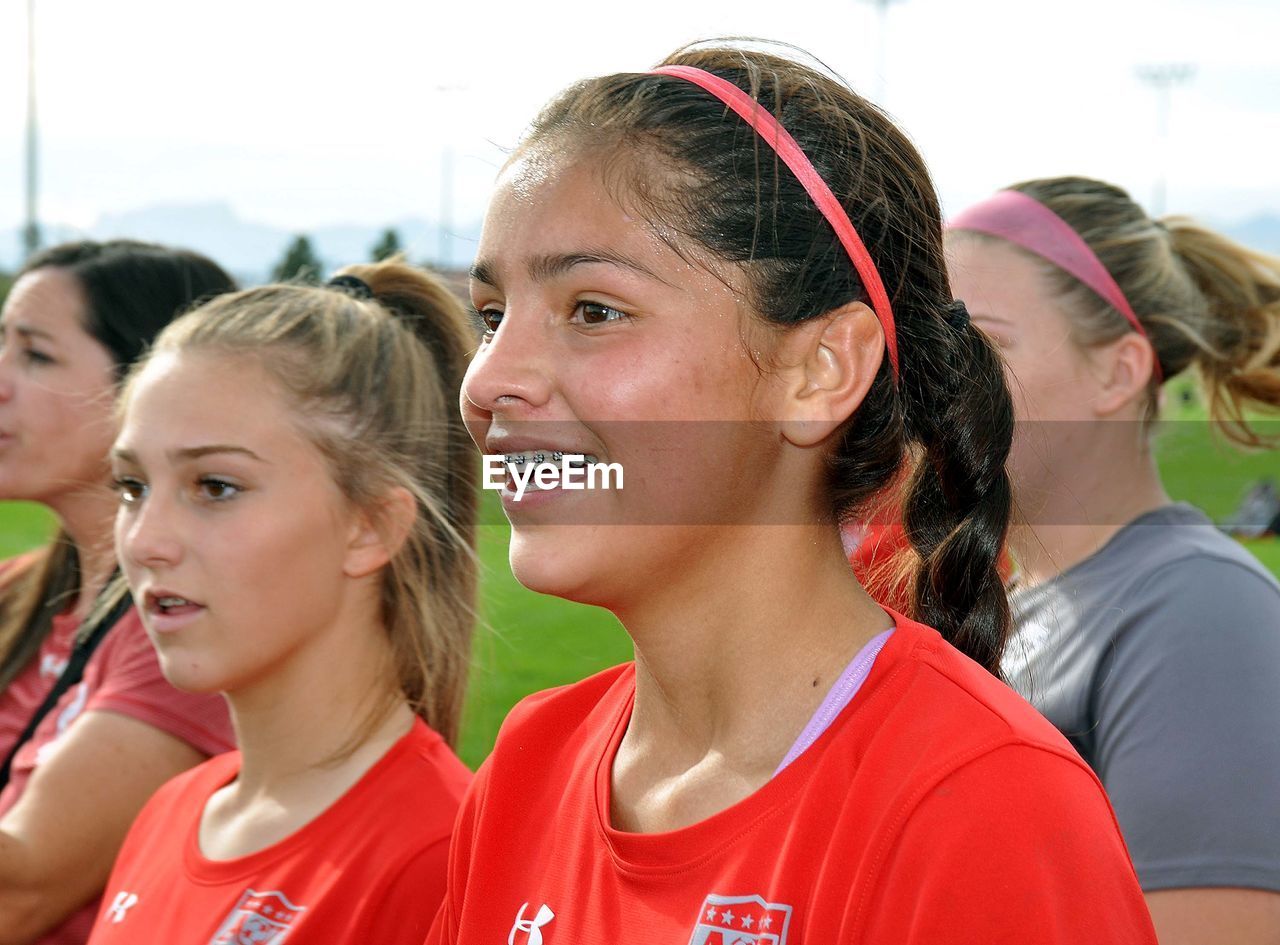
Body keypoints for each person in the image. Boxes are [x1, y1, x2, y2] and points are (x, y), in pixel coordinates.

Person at [427, 45, 1156, 944]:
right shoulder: (530, 767)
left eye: (594, 310)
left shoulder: (978, 802)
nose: (489, 381)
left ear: (819, 371)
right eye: (492, 317)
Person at [86, 260, 476, 944]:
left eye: (215, 486)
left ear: (371, 526)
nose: (145, 541)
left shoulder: (439, 857)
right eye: (131, 486)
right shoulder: (172, 810)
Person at [949, 177, 1280, 943]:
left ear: (1118, 373)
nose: (933, 383)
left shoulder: (1199, 614)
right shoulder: (1008, 606)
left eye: (984, 345)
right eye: (934, 346)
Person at [0, 240, 237, 945]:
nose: (1, 379)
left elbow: (18, 896)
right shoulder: (18, 591)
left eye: (35, 356)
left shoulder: (182, 635)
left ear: (149, 388)